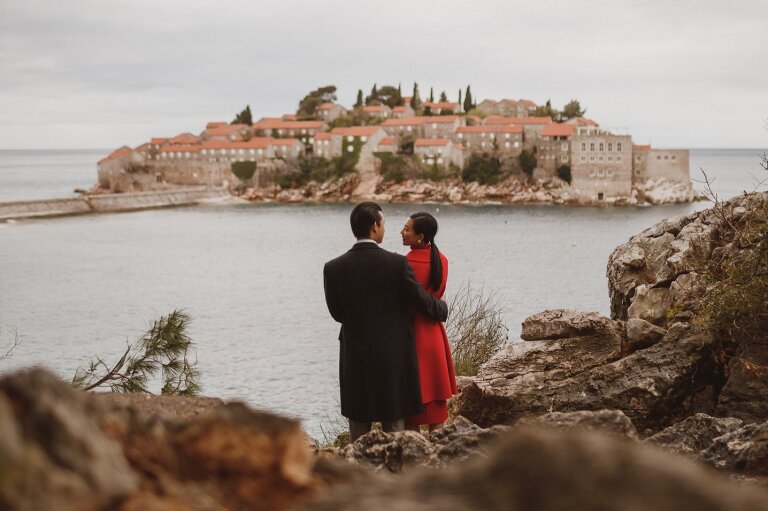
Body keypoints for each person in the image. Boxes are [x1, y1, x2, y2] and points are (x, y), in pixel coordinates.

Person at [323, 202, 448, 442]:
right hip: (393, 355)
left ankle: (359, 473)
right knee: (396, 432)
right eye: (383, 224)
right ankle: (399, 477)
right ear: (374, 227)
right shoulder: (397, 264)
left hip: (355, 354)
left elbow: (337, 313)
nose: (385, 229)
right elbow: (420, 299)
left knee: (358, 433)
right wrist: (442, 309)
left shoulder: (333, 268)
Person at [400, 212, 457, 433]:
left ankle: (414, 457)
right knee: (436, 400)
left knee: (412, 409)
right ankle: (440, 454)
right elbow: (438, 295)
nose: (402, 232)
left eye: (406, 229)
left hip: (411, 333)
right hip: (434, 333)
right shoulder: (442, 259)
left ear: (420, 236)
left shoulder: (404, 263)